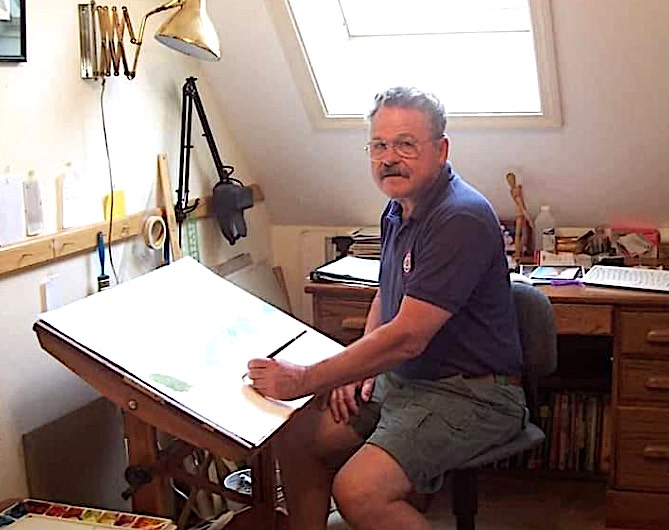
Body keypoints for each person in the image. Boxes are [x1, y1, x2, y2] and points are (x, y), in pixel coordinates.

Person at [247, 86, 528, 530]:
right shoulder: (398, 208)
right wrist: (359, 368)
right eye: (378, 145)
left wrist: (305, 378)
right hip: (405, 383)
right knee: (297, 436)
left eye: (405, 144)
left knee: (359, 491)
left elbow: (408, 336)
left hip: (473, 394)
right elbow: (387, 296)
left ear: (441, 150)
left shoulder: (461, 217)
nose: (388, 157)